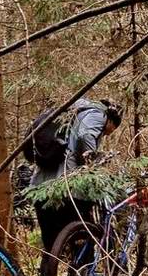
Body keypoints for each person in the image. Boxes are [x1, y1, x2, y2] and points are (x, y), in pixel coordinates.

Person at [30, 98, 122, 255]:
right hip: (68, 188)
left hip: (41, 188)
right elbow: (85, 135)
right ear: (112, 121)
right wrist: (93, 165)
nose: (108, 134)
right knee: (83, 235)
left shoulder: (68, 116)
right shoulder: (98, 114)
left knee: (51, 246)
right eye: (111, 129)